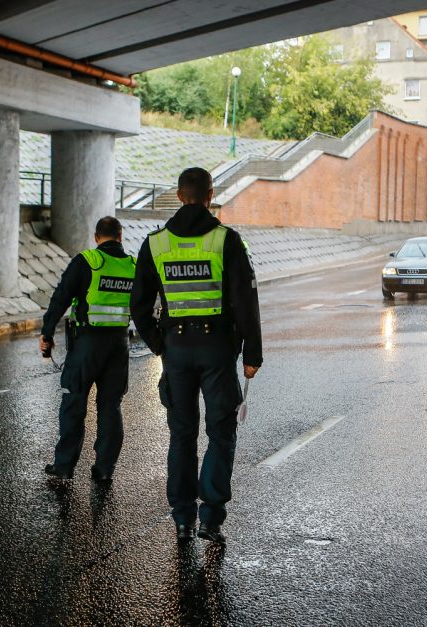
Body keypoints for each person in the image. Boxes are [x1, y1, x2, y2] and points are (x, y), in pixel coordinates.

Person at [131, 167, 262, 545]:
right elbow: (245, 300)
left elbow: (139, 306)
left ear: (178, 194)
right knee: (221, 432)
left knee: (181, 435)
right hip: (217, 350)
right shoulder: (226, 240)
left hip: (176, 350)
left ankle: (183, 518)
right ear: (210, 195)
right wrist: (252, 354)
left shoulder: (155, 244)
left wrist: (160, 343)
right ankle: (211, 518)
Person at [40, 217, 136, 482]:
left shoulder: (87, 261)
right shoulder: (132, 266)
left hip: (87, 344)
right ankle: (105, 469)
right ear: (120, 236)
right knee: (110, 406)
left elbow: (60, 297)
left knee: (74, 403)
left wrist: (47, 332)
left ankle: (64, 467)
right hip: (119, 345)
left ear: (96, 238)